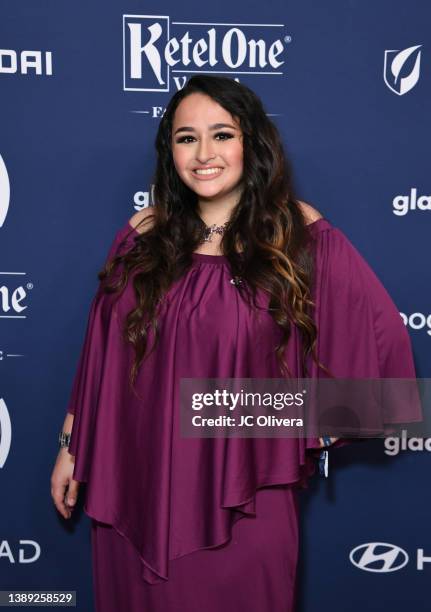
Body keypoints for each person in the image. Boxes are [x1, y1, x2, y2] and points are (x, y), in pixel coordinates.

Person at [50, 75, 421, 611]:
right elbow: (101, 351)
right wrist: (71, 446)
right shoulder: (141, 235)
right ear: (169, 151)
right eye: (186, 138)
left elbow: (385, 378)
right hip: (134, 482)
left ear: (252, 142)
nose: (204, 154)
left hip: (245, 496)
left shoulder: (298, 235)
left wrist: (239, 419)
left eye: (222, 134)